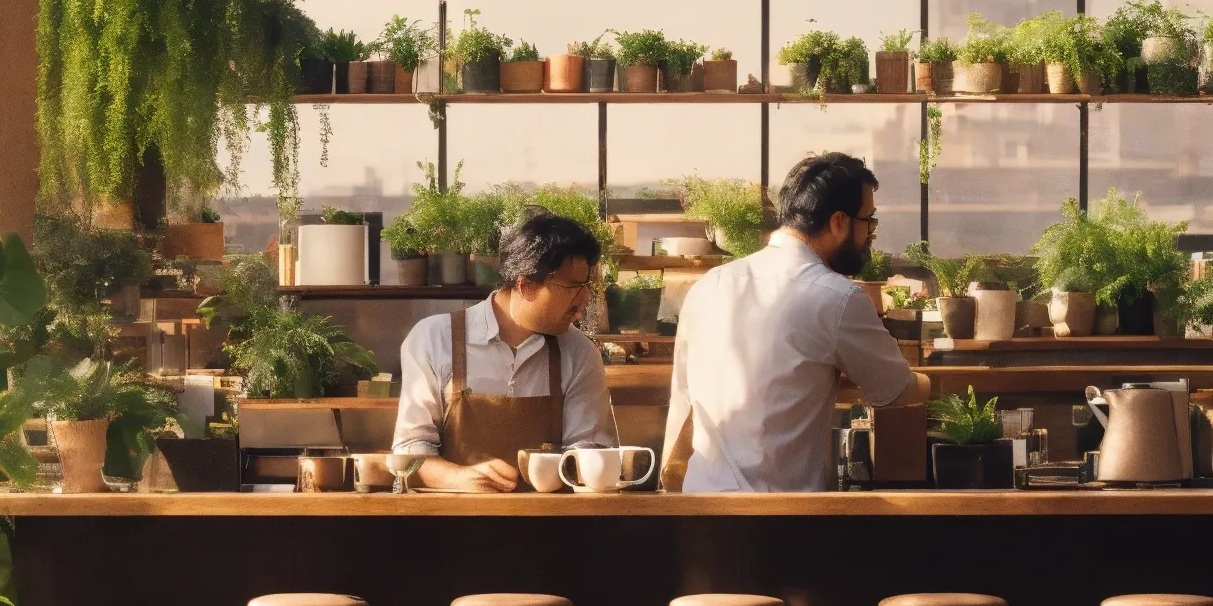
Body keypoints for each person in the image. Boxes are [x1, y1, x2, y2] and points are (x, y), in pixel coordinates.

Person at [661, 152, 928, 492]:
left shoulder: (709, 284)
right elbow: (898, 393)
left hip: (700, 510)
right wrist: (930, 382)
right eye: (869, 221)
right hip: (780, 520)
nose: (871, 234)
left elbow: (683, 402)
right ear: (838, 222)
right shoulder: (837, 297)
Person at [392, 207, 618, 492]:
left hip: (552, 526)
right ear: (525, 285)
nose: (585, 298)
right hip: (451, 524)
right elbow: (408, 450)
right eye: (572, 286)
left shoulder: (579, 352)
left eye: (586, 286)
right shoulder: (434, 339)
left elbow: (590, 449)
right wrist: (458, 478)